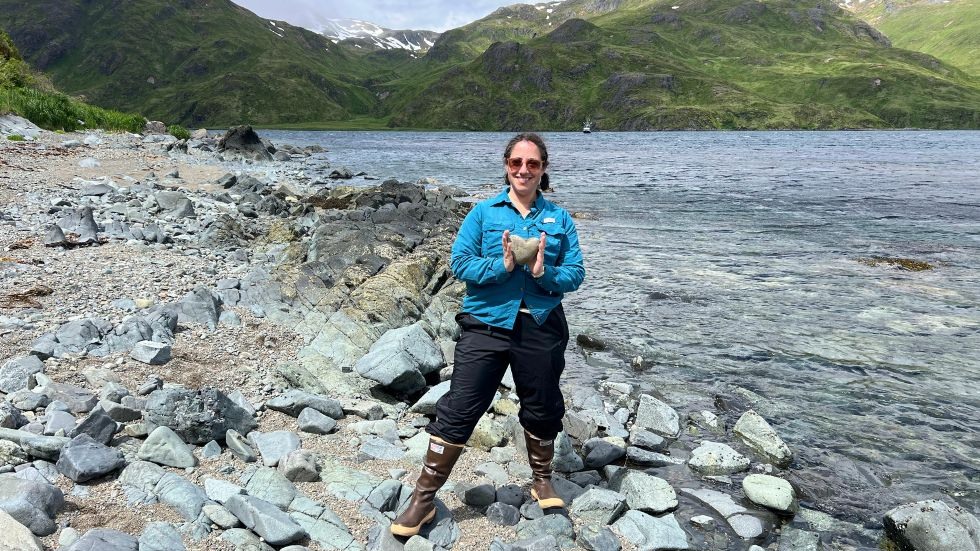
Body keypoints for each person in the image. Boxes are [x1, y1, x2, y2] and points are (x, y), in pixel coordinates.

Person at [391, 132, 586, 537]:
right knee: (460, 406)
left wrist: (543, 273)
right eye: (517, 162)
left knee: (544, 403)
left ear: (543, 169)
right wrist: (505, 265)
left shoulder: (560, 219)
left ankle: (541, 478)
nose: (524, 170)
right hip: (486, 325)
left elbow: (576, 274)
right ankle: (423, 499)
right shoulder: (483, 213)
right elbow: (460, 263)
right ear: (506, 166)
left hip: (541, 323)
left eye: (532, 164)